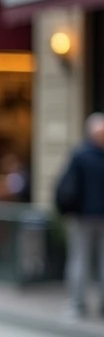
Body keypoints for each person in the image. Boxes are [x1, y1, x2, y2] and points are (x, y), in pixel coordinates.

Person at [56, 112, 104, 318]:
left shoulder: (80, 155)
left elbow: (67, 186)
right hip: (96, 216)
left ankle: (77, 304)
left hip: (82, 216)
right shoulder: (82, 155)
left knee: (79, 259)